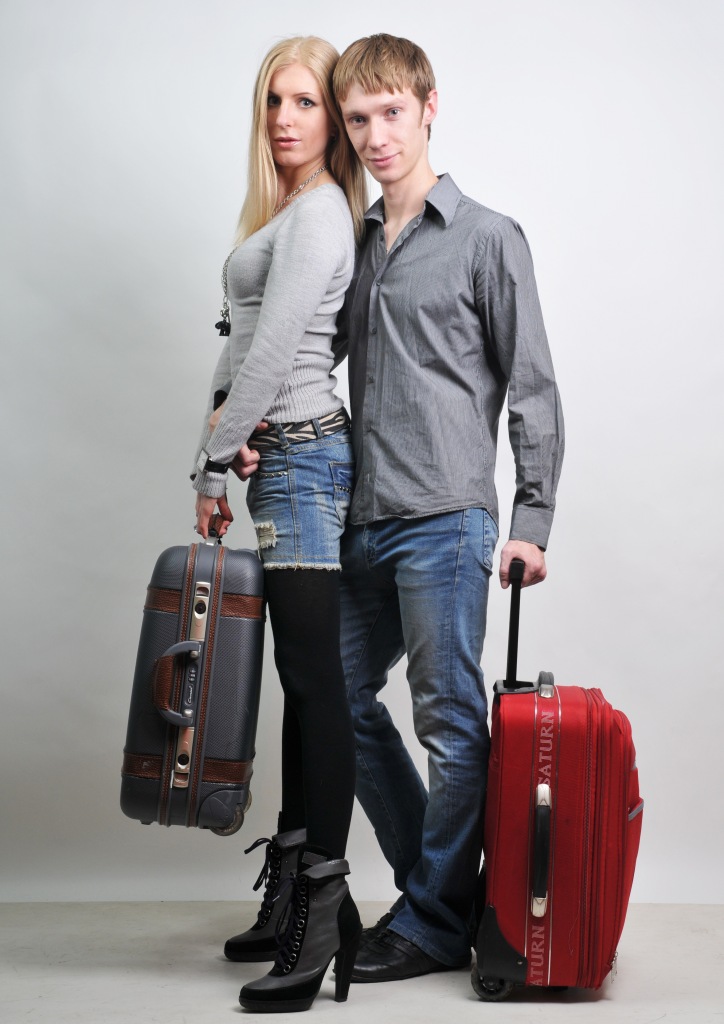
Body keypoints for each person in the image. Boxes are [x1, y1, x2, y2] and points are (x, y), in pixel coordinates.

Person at [329, 34, 565, 984]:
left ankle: (429, 920)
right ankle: (442, 897)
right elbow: (312, 357)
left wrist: (532, 522)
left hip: (447, 518)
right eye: (358, 119)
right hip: (359, 520)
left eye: (391, 112)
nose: (375, 135)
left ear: (430, 108)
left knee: (450, 722)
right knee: (336, 700)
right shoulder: (350, 245)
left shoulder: (487, 237)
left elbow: (533, 385)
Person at [190, 36, 367, 1013]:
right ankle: (292, 892)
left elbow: (273, 360)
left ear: (331, 117)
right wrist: (209, 460)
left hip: (301, 461)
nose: (286, 119)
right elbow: (240, 349)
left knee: (314, 684)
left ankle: (321, 911)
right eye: (274, 101)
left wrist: (221, 453)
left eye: (305, 101)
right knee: (300, 688)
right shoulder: (286, 210)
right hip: (277, 462)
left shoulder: (321, 211)